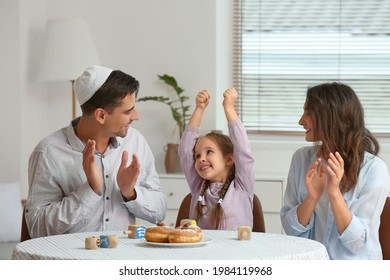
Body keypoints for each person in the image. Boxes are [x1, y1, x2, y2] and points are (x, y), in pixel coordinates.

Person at [26, 65, 166, 238]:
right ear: (101, 115)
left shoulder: (135, 142)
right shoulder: (49, 153)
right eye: (128, 111)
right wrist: (90, 189)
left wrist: (130, 193)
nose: (136, 116)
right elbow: (37, 228)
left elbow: (160, 211)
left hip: (122, 260)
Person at [280, 82, 390, 259]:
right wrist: (311, 198)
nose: (301, 120)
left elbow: (357, 242)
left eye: (308, 113)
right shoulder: (301, 159)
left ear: (330, 118)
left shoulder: (374, 169)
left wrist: (334, 193)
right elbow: (291, 230)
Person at [178, 88, 254, 230]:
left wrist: (229, 107)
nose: (201, 159)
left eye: (209, 152)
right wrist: (199, 109)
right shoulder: (198, 186)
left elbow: (243, 149)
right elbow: (185, 150)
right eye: (197, 155)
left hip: (237, 252)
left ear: (229, 159)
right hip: (202, 252)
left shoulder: (242, 185)